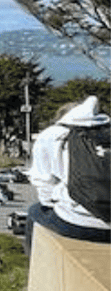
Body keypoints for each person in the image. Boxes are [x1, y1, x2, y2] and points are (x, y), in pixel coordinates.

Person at [24, 95, 111, 255]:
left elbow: (44, 185)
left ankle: (34, 270)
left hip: (76, 225)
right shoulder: (106, 133)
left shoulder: (52, 135)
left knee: (34, 212)